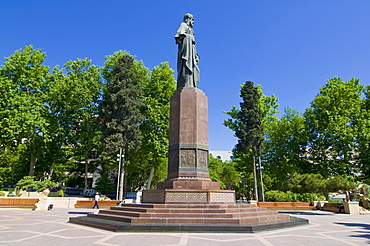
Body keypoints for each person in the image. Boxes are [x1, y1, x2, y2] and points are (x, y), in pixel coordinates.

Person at [175, 13, 200, 90]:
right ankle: (185, 84)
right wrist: (187, 38)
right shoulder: (183, 25)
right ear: (188, 19)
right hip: (186, 53)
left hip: (191, 53)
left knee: (195, 70)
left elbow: (194, 45)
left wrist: (195, 54)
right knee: (185, 68)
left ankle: (192, 84)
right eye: (192, 20)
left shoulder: (191, 30)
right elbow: (178, 37)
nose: (193, 22)